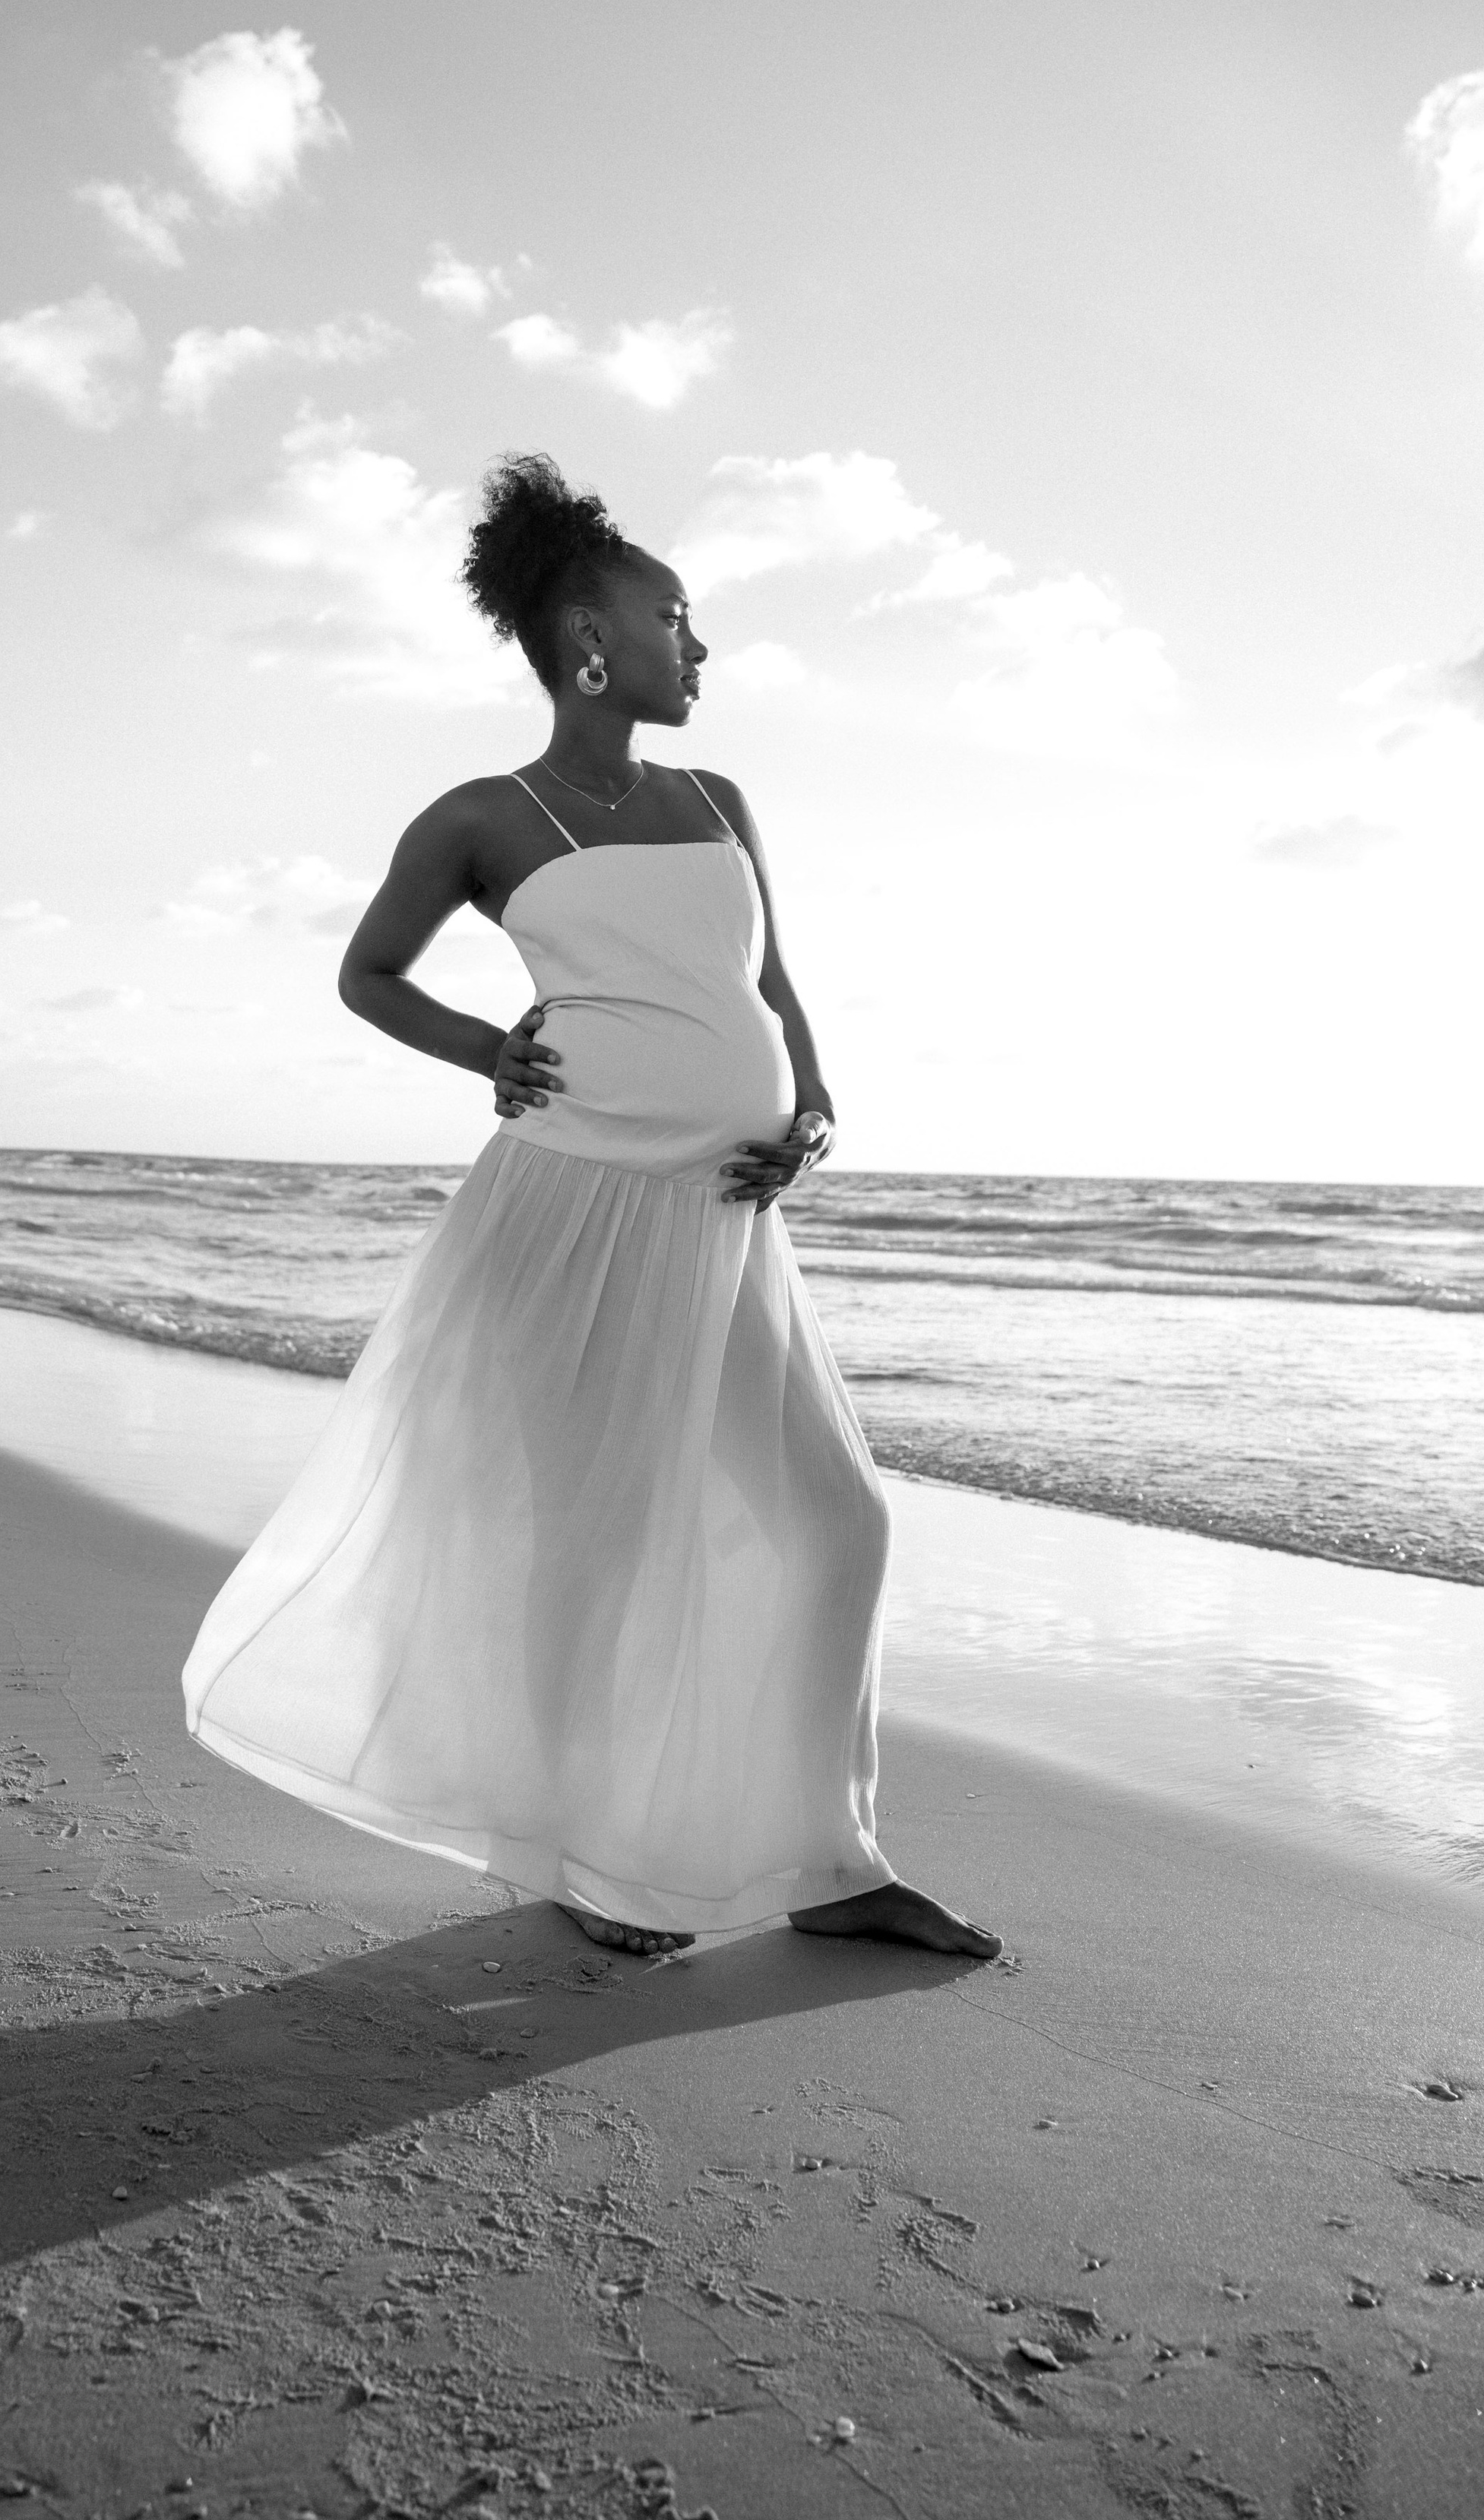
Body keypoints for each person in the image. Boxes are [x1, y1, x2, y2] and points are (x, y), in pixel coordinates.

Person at [183, 454, 1000, 1964]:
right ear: (587, 645)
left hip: (723, 1221)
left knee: (837, 1522)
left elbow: (765, 986)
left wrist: (808, 1112)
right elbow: (367, 973)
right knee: (587, 1545)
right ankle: (567, 1849)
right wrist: (486, 1050)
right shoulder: (477, 819)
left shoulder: (714, 798)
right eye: (676, 620)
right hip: (570, 1214)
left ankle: (830, 1860)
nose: (699, 648)